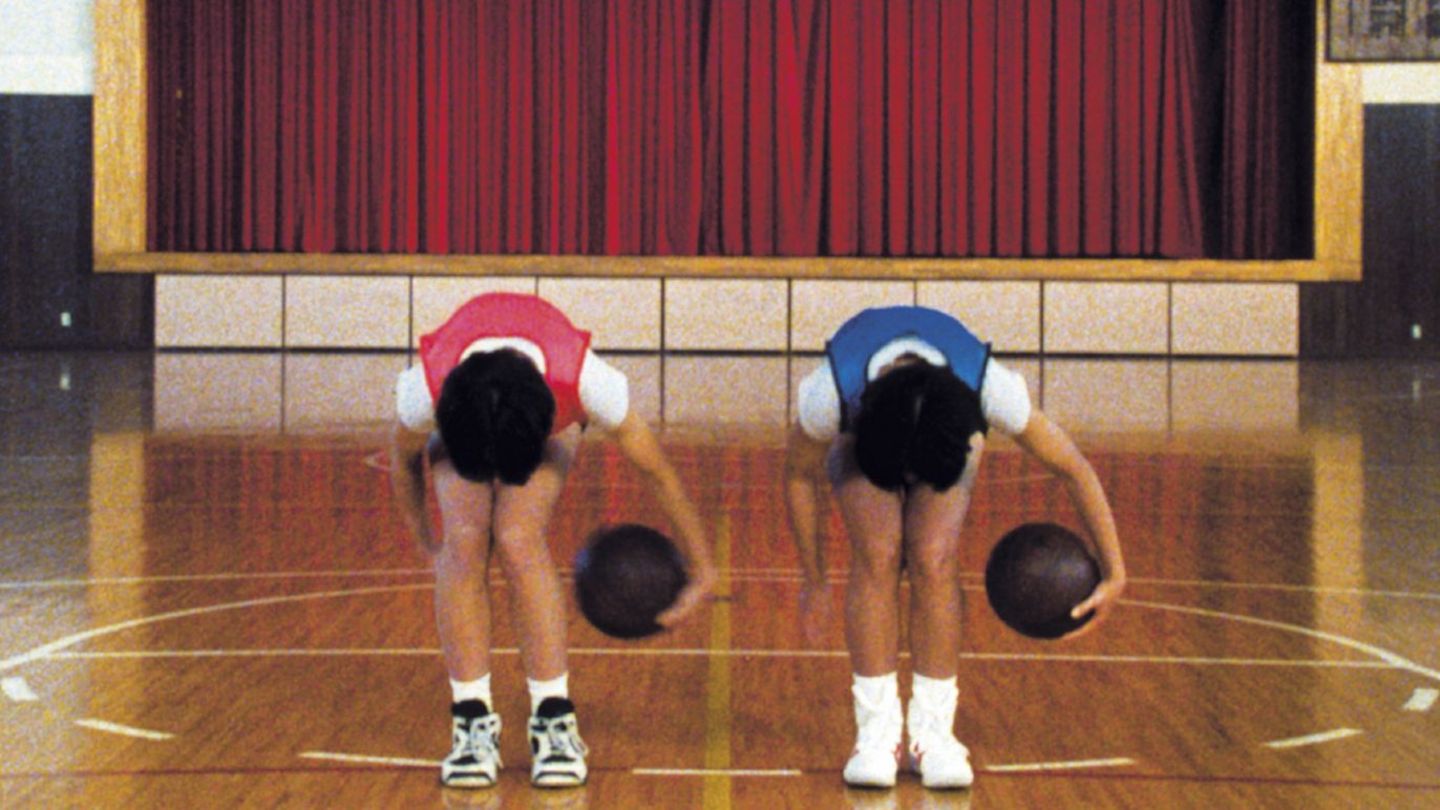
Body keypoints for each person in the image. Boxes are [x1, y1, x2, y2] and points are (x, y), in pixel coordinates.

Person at [784, 305, 1125, 790]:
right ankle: (876, 737)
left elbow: (1074, 467)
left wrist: (1116, 572)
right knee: (879, 551)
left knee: (932, 554)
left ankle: (934, 735)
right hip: (869, 429)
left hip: (942, 422)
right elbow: (798, 474)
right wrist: (813, 580)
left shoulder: (990, 389)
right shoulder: (831, 395)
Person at [389, 292, 715, 790]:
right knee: (464, 535)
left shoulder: (586, 381)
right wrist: (424, 541)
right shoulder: (426, 391)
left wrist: (703, 565)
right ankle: (472, 721)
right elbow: (402, 460)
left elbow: (657, 473)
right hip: (471, 407)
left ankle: (554, 718)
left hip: (536, 402)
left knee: (517, 534)